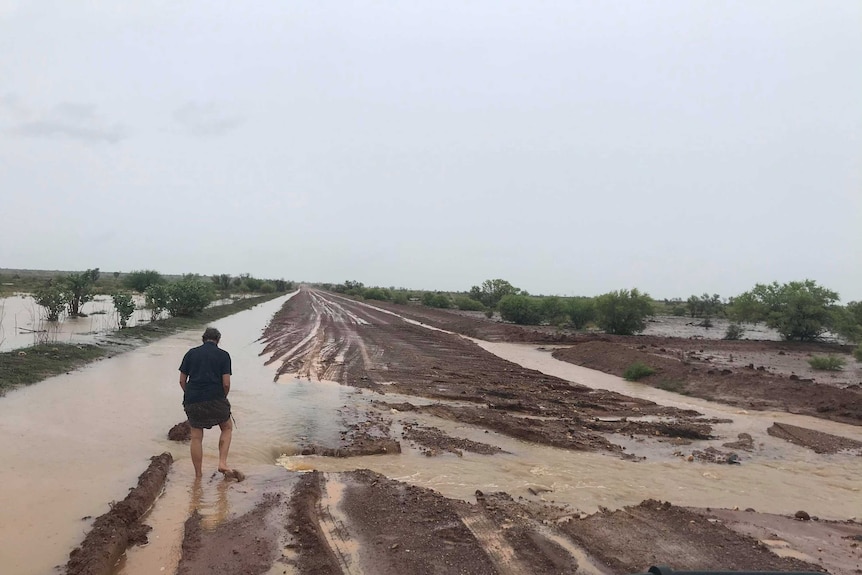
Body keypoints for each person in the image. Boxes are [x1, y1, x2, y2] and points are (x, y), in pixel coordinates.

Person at [179, 327, 242, 480]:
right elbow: (226, 383)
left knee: (196, 437)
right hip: (216, 398)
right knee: (226, 427)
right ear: (218, 340)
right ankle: (222, 462)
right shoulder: (223, 356)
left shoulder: (191, 353)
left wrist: (191, 394)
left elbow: (182, 380)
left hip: (193, 399)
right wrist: (222, 397)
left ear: (203, 338)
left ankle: (198, 475)